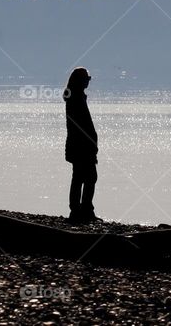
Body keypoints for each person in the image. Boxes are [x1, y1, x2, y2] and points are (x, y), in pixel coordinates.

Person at [64, 67, 101, 223]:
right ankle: (83, 210)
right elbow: (83, 125)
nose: (88, 81)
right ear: (80, 80)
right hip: (82, 146)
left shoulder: (75, 97)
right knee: (88, 177)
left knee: (80, 177)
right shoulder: (76, 99)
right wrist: (91, 143)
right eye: (87, 78)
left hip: (78, 145)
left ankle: (78, 210)